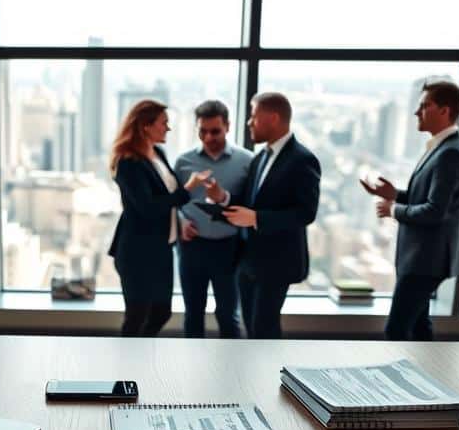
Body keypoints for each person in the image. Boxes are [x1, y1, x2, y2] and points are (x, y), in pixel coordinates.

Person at [360, 81, 459, 340]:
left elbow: (434, 211)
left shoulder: (450, 154)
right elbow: (429, 198)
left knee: (396, 329)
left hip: (426, 261)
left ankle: (393, 380)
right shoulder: (442, 148)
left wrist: (393, 209)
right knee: (420, 327)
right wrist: (393, 194)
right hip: (421, 258)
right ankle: (424, 378)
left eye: (424, 106)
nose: (416, 112)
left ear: (445, 111)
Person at [206, 92, 320, 339]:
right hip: (248, 261)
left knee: (264, 331)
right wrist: (222, 198)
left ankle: (272, 377)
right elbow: (250, 203)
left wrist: (257, 218)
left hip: (277, 263)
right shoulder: (260, 157)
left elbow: (306, 213)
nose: (249, 123)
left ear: (273, 118)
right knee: (251, 328)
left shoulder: (302, 160)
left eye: (254, 116)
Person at [108, 99, 213, 337]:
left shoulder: (158, 153)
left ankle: (139, 358)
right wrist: (188, 189)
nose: (168, 128)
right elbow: (148, 208)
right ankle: (127, 368)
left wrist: (181, 222)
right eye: (164, 123)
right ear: (146, 126)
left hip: (162, 249)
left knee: (161, 312)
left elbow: (166, 201)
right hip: (137, 252)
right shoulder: (128, 163)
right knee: (136, 316)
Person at [174, 100, 254, 338]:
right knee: (192, 314)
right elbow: (174, 202)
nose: (208, 137)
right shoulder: (183, 162)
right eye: (202, 131)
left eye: (215, 131)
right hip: (191, 247)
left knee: (228, 315)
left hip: (229, 248)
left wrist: (223, 197)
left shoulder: (247, 161)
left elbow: (252, 205)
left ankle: (232, 373)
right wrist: (180, 221)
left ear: (227, 127)